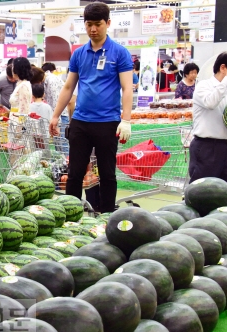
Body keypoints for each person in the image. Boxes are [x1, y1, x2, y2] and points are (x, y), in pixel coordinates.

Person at [49, 1, 133, 214]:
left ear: (108, 23)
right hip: (81, 122)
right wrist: (55, 116)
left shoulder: (120, 53)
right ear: (84, 25)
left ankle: (106, 216)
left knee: (107, 173)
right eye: (89, 24)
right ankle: (71, 215)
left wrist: (127, 119)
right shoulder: (78, 54)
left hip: (107, 122)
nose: (93, 29)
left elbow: (127, 88)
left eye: (98, 24)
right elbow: (69, 86)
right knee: (75, 172)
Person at [190, 50, 227, 197]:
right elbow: (210, 102)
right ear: (223, 67)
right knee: (202, 195)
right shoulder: (203, 86)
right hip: (205, 148)